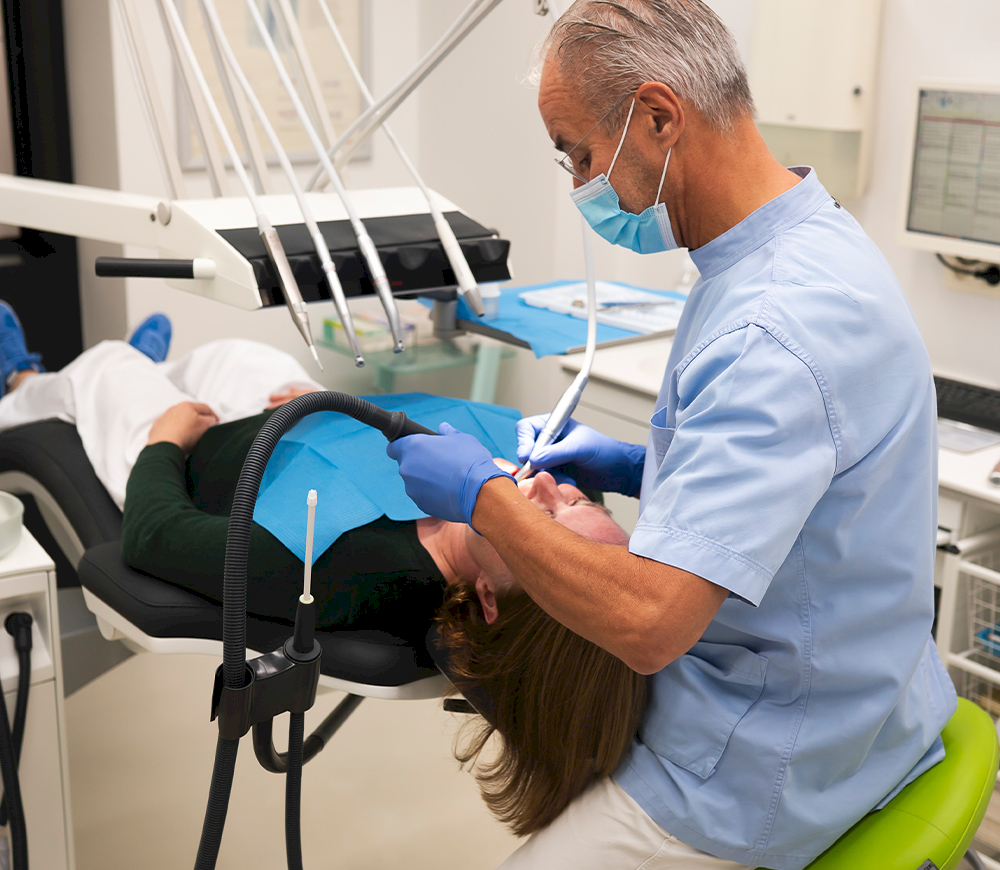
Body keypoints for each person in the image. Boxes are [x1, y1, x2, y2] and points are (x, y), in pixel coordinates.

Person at [386, 2, 956, 869]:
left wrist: (486, 499)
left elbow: (651, 623)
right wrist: (637, 467)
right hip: (877, 707)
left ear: (658, 116)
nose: (580, 184)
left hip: (770, 764)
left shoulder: (770, 328)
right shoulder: (799, 243)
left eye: (579, 155)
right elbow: (805, 483)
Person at [0, 300, 646, 836]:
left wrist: (164, 439)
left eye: (543, 524)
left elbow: (153, 533)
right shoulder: (539, 472)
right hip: (297, 416)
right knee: (237, 354)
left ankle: (27, 382)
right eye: (579, 501)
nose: (546, 487)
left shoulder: (339, 571)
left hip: (195, 463)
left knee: (105, 369)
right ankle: (153, 372)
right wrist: (336, 417)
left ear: (488, 598)